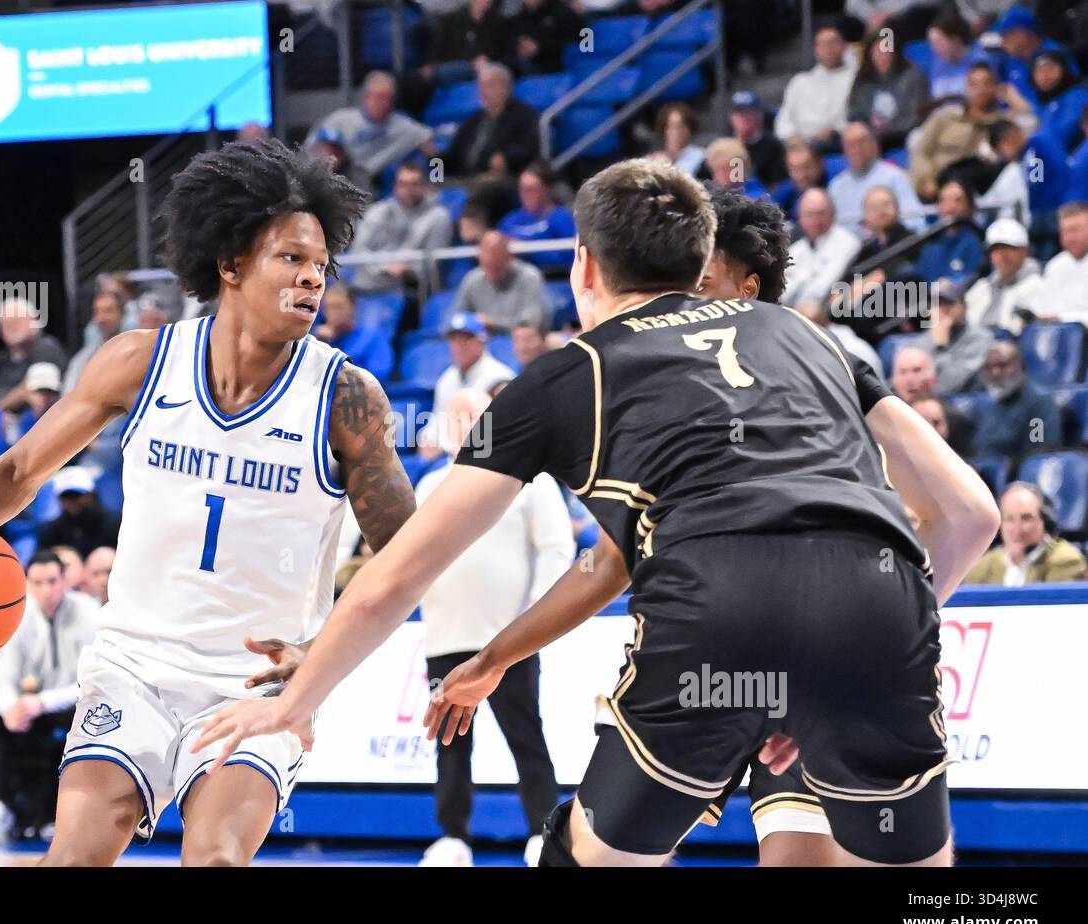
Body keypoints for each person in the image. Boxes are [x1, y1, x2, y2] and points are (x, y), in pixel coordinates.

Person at [198, 157, 999, 868]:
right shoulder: (809, 336)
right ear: (699, 263)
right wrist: (842, 646)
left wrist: (295, 699)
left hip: (718, 608)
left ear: (583, 266)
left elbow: (401, 571)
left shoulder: (561, 376)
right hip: (881, 600)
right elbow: (970, 516)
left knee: (584, 854)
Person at [0, 139, 417, 867]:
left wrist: (318, 661)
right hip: (133, 662)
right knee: (74, 856)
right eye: (291, 258)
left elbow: (408, 556)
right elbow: (17, 473)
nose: (312, 279)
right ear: (229, 264)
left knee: (216, 856)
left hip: (252, 683)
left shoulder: (346, 398)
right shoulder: (141, 361)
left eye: (321, 265)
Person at [415, 389, 574, 868]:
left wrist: (533, 619)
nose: (462, 425)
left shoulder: (529, 480)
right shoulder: (428, 487)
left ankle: (541, 832)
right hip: (445, 636)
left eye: (472, 417)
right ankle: (452, 837)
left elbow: (557, 549)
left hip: (509, 641)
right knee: (449, 745)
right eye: (454, 418)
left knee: (526, 736)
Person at [0, 551, 100, 845]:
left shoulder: (88, 612)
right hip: (31, 705)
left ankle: (62, 816)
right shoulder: (18, 614)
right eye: (38, 583)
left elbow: (92, 681)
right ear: (27, 584)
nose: (47, 590)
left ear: (65, 580)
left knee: (83, 712)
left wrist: (42, 702)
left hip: (75, 703)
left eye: (53, 581)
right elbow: (5, 680)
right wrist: (10, 709)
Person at [909, 61, 1029, 202]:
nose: (980, 90)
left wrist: (1019, 103)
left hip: (982, 195)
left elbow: (1030, 138)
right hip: (937, 189)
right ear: (966, 87)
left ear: (995, 87)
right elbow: (921, 151)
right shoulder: (945, 117)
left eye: (986, 83)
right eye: (974, 84)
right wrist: (925, 181)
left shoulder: (1003, 123)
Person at [309, 72, 433, 192]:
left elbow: (432, 146)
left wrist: (437, 177)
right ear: (366, 97)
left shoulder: (404, 127)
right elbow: (316, 149)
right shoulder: (340, 120)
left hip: (367, 187)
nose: (381, 103)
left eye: (387, 98)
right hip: (328, 181)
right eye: (377, 96)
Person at [348, 159, 452, 294]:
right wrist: (384, 267)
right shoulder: (378, 212)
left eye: (414, 184)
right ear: (395, 187)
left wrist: (409, 268)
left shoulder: (438, 217)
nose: (408, 190)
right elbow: (358, 249)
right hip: (369, 284)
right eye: (403, 184)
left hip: (411, 287)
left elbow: (435, 260)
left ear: (425, 186)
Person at [418, 312, 514, 457]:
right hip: (448, 457)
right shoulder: (446, 379)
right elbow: (433, 428)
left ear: (482, 341)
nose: (459, 346)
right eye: (454, 339)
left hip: (488, 458)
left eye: (467, 338)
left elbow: (507, 435)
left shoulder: (500, 378)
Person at [965, 483, 1087, 584]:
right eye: (1009, 519)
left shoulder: (1066, 560)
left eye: (1026, 518)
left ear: (1045, 522)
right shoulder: (984, 565)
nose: (1017, 528)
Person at [442, 62, 540, 178]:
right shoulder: (473, 120)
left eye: (489, 84)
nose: (482, 91)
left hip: (505, 178)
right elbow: (452, 157)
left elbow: (529, 148)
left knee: (487, 187)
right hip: (466, 178)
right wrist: (434, 157)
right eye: (480, 85)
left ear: (506, 87)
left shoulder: (524, 115)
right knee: (432, 186)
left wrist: (506, 157)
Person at [970, 341, 1064, 459]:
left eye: (1002, 365)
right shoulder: (983, 406)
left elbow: (1039, 451)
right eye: (988, 367)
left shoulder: (1039, 403)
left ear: (1021, 365)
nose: (995, 373)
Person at [847, 22, 930, 151]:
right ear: (870, 53)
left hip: (902, 135)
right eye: (879, 50)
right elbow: (854, 114)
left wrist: (885, 132)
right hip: (869, 138)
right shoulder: (863, 80)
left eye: (888, 49)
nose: (884, 54)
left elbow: (916, 114)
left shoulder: (913, 76)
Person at [828, 121, 926, 230]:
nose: (856, 149)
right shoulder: (836, 187)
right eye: (850, 145)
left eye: (861, 142)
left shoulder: (895, 176)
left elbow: (915, 222)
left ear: (874, 145)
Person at [774, 23, 856, 150]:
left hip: (838, 144)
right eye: (822, 44)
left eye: (832, 43)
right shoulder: (800, 82)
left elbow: (857, 118)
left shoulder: (856, 79)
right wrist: (792, 137)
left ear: (844, 46)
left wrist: (834, 132)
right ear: (816, 50)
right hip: (800, 145)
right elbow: (784, 119)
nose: (828, 48)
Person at [451, 231, 551, 332]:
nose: (492, 274)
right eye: (487, 267)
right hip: (483, 343)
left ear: (509, 258)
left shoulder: (529, 277)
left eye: (497, 267)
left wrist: (493, 324)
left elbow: (530, 323)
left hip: (522, 342)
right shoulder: (472, 279)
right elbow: (456, 319)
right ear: (479, 260)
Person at [0, 296, 69, 414]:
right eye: (5, 323)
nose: (11, 327)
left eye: (16, 321)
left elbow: (38, 395)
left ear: (34, 321)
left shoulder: (47, 349)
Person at [781, 188, 861, 307]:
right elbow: (782, 294)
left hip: (830, 315)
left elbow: (821, 290)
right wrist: (809, 277)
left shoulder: (847, 242)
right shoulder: (797, 249)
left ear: (833, 214)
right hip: (792, 314)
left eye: (821, 213)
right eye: (809, 214)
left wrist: (799, 278)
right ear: (800, 218)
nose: (815, 220)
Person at [964, 218, 1045, 335]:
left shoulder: (1037, 285)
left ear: (1024, 251)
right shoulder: (982, 286)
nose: (1002, 255)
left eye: (1008, 248)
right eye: (996, 250)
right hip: (971, 346)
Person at [913, 279, 994, 394]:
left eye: (948, 303)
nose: (941, 309)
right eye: (935, 304)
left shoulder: (981, 339)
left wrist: (940, 347)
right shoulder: (920, 343)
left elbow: (949, 386)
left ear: (964, 307)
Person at [496, 161, 576, 273]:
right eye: (521, 189)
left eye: (530, 190)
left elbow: (570, 256)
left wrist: (525, 250)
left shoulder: (561, 218)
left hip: (550, 279)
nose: (524, 194)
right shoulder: (511, 219)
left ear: (546, 190)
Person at [312, 284, 395, 383]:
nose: (333, 313)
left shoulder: (372, 336)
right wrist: (320, 342)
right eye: (328, 308)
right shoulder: (319, 341)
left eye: (338, 307)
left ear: (353, 307)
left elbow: (380, 374)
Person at [36, 467, 121, 559]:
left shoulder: (114, 524)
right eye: (66, 496)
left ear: (91, 494)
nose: (72, 501)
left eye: (77, 495)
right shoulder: (50, 532)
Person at [914, 179, 984, 286]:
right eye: (943, 200)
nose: (950, 206)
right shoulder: (930, 247)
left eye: (957, 200)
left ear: (970, 206)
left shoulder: (978, 243)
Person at [1031, 202, 1088, 323]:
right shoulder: (1056, 265)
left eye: (1075, 230)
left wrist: (1062, 318)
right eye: (1064, 231)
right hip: (1055, 335)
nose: (1070, 238)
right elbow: (1040, 308)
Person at [63, 290, 125, 396]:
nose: (101, 318)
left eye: (108, 311)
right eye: (97, 312)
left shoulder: (139, 350)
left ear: (122, 314)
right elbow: (68, 396)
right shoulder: (83, 360)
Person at [505, 0, 584, 75]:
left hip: (557, 68)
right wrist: (520, 48)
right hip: (522, 70)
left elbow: (576, 43)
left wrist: (540, 47)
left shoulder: (562, 13)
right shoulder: (517, 19)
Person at [726, 91, 786, 186]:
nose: (744, 118)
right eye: (739, 113)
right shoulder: (724, 146)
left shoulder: (773, 146)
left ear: (760, 116)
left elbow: (777, 183)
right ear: (731, 117)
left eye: (749, 113)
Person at [769, 140, 829, 221]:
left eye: (807, 168)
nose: (801, 176)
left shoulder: (835, 187)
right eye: (795, 169)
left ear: (820, 164)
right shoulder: (786, 194)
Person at [647, 102, 706, 177]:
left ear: (690, 130)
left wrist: (667, 167)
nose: (677, 132)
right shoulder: (652, 159)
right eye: (671, 126)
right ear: (664, 130)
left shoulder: (701, 157)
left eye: (681, 126)